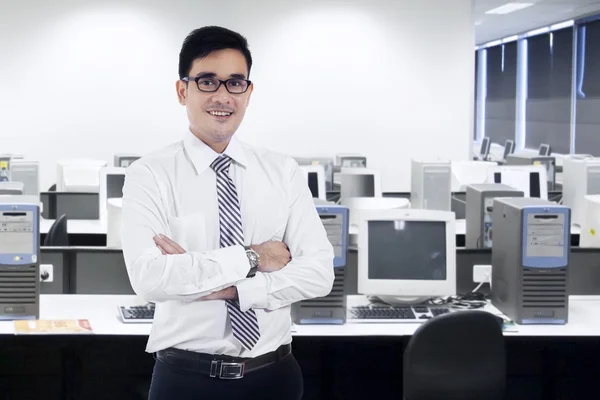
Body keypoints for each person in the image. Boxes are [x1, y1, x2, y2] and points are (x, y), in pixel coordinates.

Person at [121, 26, 335, 400]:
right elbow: (150, 277)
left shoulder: (281, 171)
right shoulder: (150, 174)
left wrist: (234, 288)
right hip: (186, 380)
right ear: (182, 90)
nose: (222, 96)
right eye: (207, 81)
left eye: (235, 83)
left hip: (275, 376)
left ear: (249, 93)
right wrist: (256, 257)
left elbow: (318, 274)